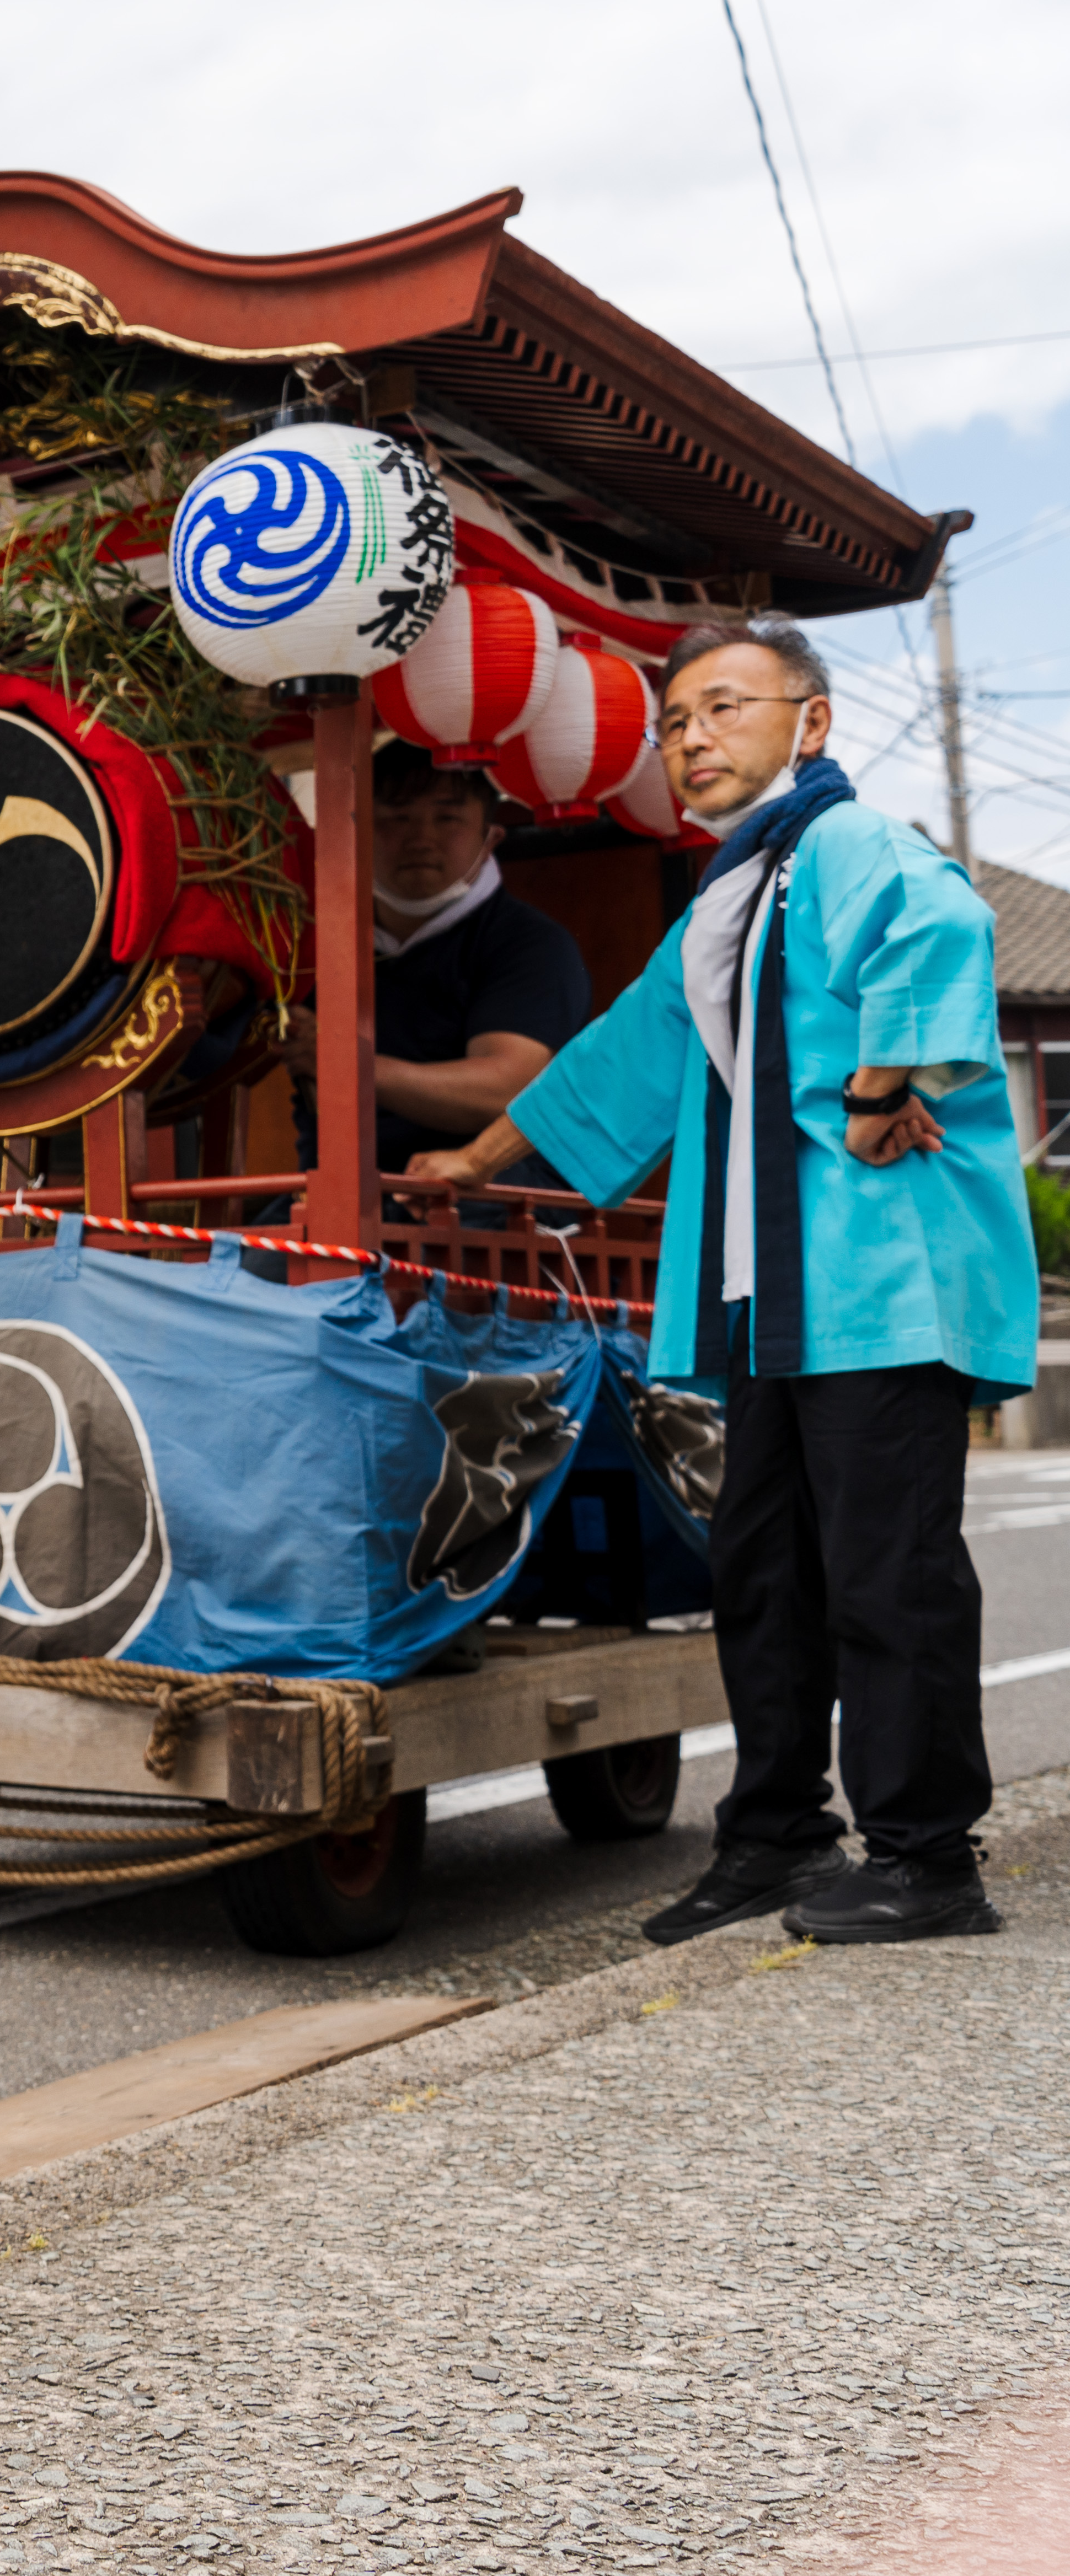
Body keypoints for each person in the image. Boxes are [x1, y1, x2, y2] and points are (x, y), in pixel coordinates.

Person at [409, 615, 1034, 1949]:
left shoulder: (850, 844)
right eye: (676, 720)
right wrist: (475, 1157)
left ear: (811, 722)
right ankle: (775, 1833)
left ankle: (929, 1858)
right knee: (761, 1572)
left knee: (889, 1572)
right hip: (778, 1293)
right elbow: (617, 1055)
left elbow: (944, 929)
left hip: (881, 1284)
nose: (693, 737)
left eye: (726, 707)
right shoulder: (731, 896)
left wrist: (878, 1087)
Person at [287, 746, 592, 1193]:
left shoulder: (531, 943)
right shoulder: (312, 945)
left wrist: (347, 1065)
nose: (421, 838)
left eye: (447, 818)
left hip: (495, 1202)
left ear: (490, 839)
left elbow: (508, 1086)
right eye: (397, 818)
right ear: (356, 834)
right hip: (338, 1195)